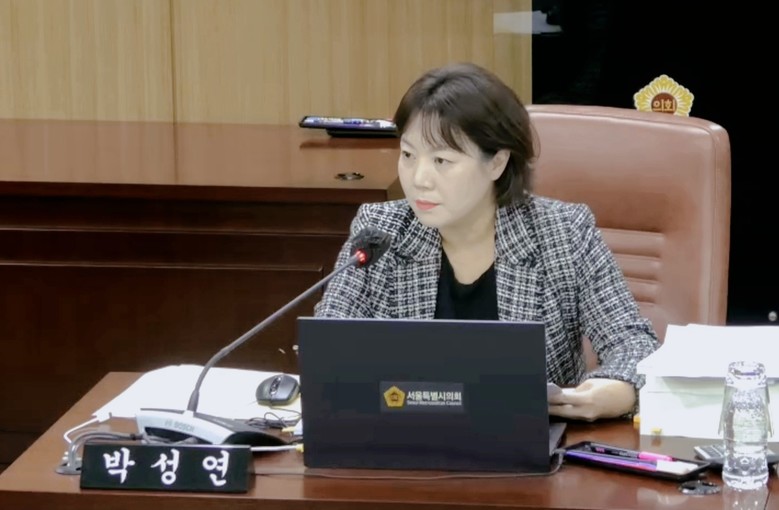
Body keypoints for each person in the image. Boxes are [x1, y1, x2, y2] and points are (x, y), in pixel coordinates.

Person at [314, 62, 659, 421]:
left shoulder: (562, 232)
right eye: (408, 155)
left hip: (533, 442)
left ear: (497, 163)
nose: (419, 179)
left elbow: (634, 344)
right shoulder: (381, 232)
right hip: (405, 436)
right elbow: (328, 345)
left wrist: (617, 389)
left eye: (442, 160)